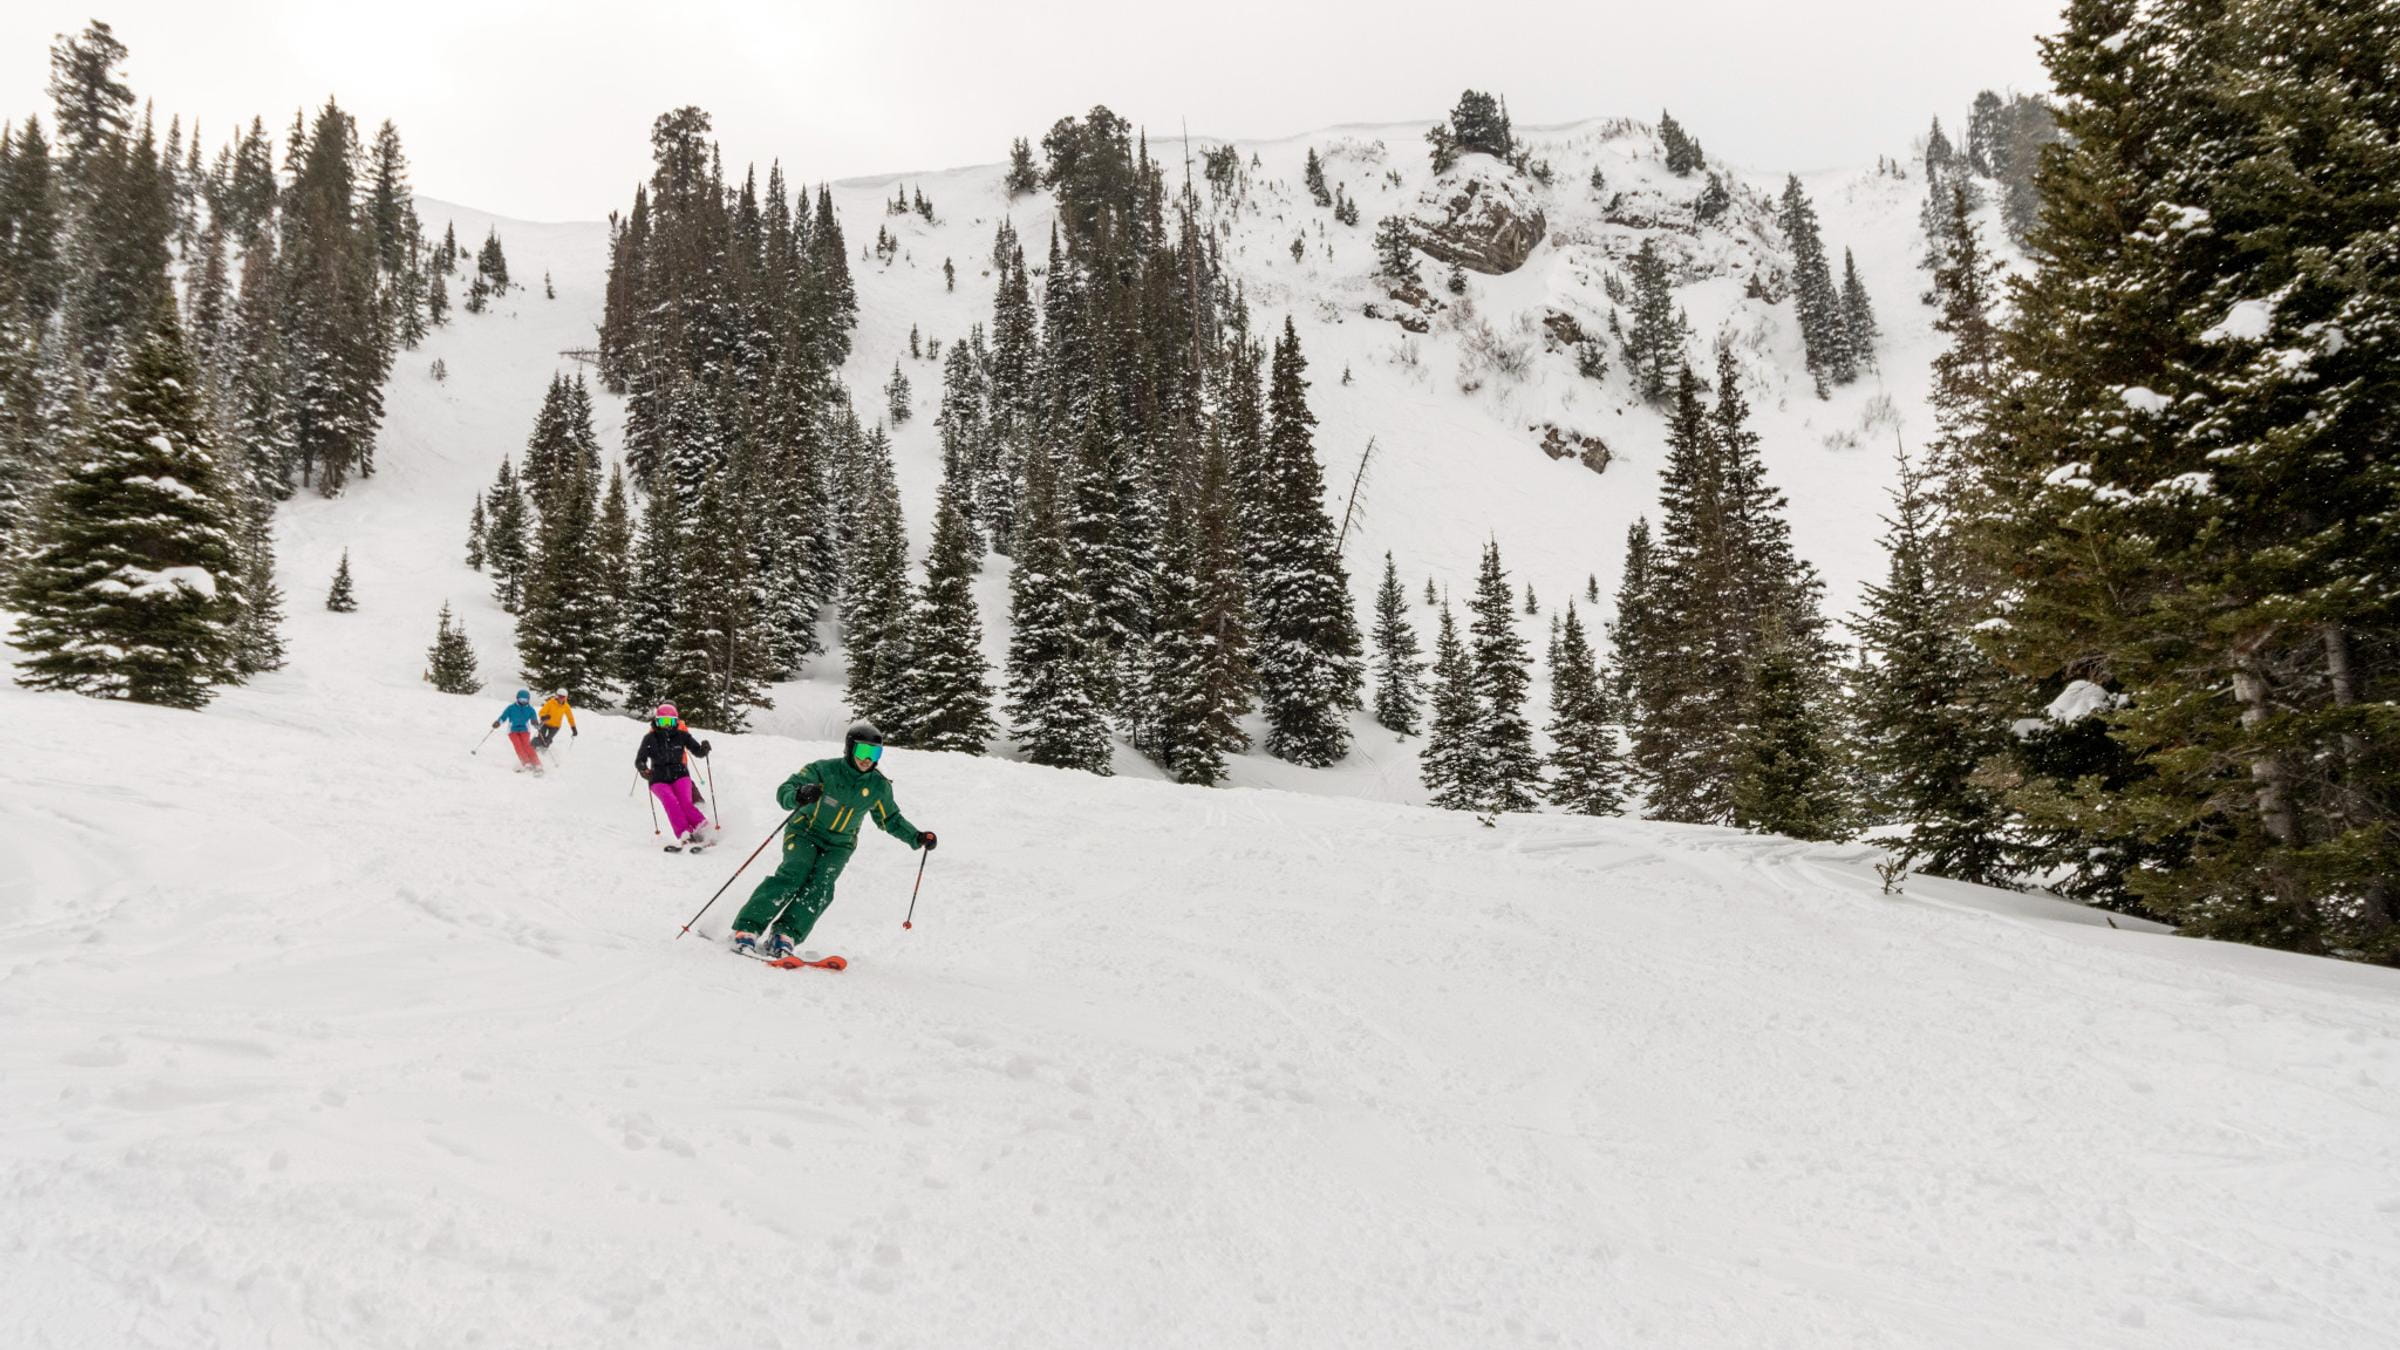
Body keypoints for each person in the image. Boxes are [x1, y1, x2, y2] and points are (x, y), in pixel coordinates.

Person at [729, 720, 935, 957]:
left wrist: (917, 837)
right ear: (849, 748)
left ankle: (785, 934)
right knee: (794, 872)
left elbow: (890, 819)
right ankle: (748, 927)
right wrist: (798, 794)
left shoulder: (878, 786)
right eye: (862, 750)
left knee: (822, 886)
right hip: (805, 831)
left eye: (874, 752)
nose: (867, 759)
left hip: (840, 844)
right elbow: (786, 789)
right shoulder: (823, 770)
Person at [635, 702, 711, 848]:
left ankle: (704, 830)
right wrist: (643, 768)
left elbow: (697, 751)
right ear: (657, 721)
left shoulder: (682, 736)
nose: (667, 725)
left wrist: (704, 749)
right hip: (658, 778)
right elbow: (640, 759)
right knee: (671, 803)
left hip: (680, 774)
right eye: (663, 721)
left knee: (685, 803)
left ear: (676, 721)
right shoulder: (650, 739)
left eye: (671, 721)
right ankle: (685, 834)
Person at [492, 689, 542, 773]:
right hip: (512, 730)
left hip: (525, 729)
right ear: (517, 698)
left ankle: (537, 763)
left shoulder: (530, 709)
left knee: (527, 745)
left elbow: (534, 719)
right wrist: (498, 722)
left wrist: (534, 722)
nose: (523, 702)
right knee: (518, 745)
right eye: (521, 699)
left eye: (525, 700)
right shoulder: (511, 708)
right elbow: (503, 717)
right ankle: (526, 762)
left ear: (528, 700)